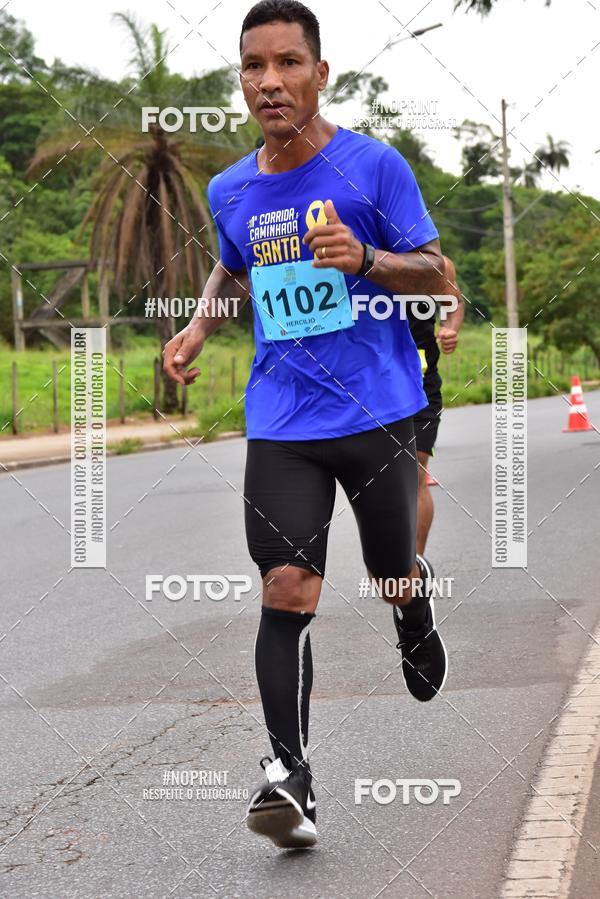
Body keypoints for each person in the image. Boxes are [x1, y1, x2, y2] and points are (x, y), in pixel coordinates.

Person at [163, 0, 448, 850]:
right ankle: (290, 777)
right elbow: (229, 257)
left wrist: (366, 259)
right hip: (282, 417)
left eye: (288, 63)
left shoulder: (374, 167)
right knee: (288, 588)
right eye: (254, 66)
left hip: (381, 410)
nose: (270, 82)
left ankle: (411, 602)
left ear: (321, 73)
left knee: (390, 570)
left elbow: (433, 272)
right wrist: (202, 322)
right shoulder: (230, 187)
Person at [409, 257, 464, 554]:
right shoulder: (360, 256)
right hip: (370, 385)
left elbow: (453, 302)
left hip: (421, 384)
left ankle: (414, 569)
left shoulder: (439, 264)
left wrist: (450, 328)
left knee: (415, 472)